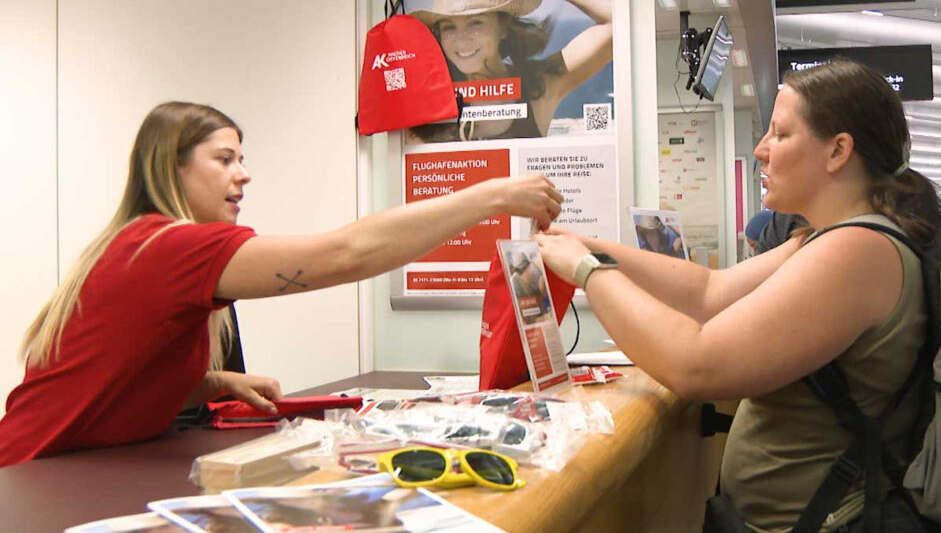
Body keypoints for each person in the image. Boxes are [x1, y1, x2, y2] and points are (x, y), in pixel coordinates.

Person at [0, 101, 563, 467]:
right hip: (32, 479)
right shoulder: (167, 247)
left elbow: (109, 377)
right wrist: (492, 196)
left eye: (241, 158)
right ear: (171, 168)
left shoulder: (146, 247)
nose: (242, 173)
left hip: (69, 471)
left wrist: (210, 382)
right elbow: (344, 254)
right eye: (224, 158)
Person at [536, 59, 941, 530]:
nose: (761, 150)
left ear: (838, 151)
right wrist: (589, 246)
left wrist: (587, 271)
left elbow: (696, 364)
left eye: (779, 134)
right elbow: (709, 291)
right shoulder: (829, 237)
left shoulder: (860, 249)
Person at [408, 0, 612, 142]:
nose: (461, 39)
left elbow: (617, 20)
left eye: (476, 22)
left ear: (503, 27)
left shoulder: (537, 86)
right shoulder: (429, 100)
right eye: (449, 27)